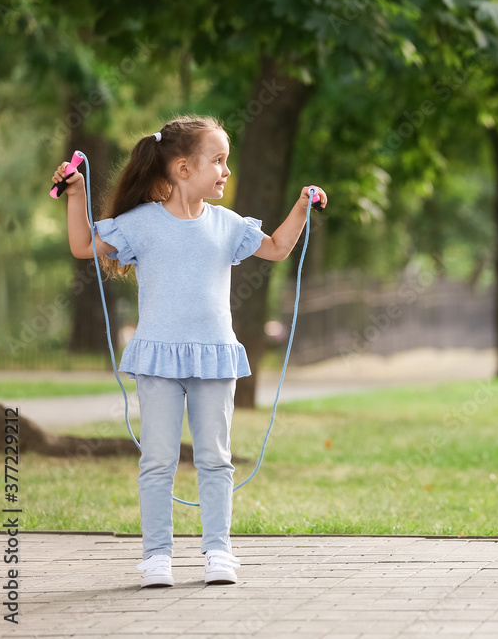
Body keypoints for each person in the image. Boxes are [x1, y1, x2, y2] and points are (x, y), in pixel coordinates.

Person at [55, 115, 327, 587]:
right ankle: (156, 557)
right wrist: (76, 193)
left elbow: (279, 247)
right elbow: (82, 246)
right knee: (157, 460)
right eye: (218, 161)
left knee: (215, 459)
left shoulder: (227, 225)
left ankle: (218, 552)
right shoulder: (140, 225)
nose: (226, 170)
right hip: (158, 359)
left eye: (227, 161)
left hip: (213, 356)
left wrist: (302, 205)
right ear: (182, 168)